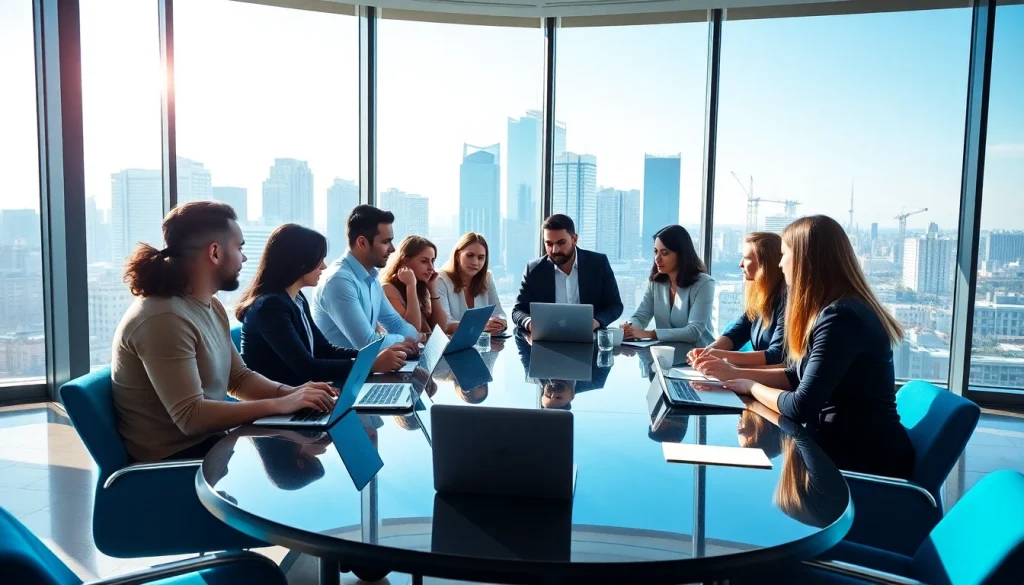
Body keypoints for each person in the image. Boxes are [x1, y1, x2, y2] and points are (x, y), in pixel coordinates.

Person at [111, 201, 338, 463]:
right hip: (178, 463)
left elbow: (238, 379)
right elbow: (190, 417)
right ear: (215, 252)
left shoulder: (210, 304)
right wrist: (280, 404)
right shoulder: (163, 318)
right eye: (239, 247)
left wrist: (295, 394)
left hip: (214, 443)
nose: (244, 258)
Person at [721, 215, 915, 479]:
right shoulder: (832, 311)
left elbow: (801, 406)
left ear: (804, 261)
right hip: (837, 447)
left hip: (863, 462)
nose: (780, 263)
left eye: (784, 254)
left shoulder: (841, 318)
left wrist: (751, 386)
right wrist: (732, 374)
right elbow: (794, 375)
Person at [234, 224, 407, 387]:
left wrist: (374, 355)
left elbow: (324, 349)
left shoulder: (296, 298)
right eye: (319, 261)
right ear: (300, 262)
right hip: (279, 405)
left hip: (303, 396)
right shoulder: (270, 307)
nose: (323, 267)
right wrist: (370, 364)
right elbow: (307, 368)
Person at [311, 205, 423, 353]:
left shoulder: (371, 276)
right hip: (343, 374)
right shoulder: (338, 281)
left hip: (366, 369)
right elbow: (367, 343)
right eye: (386, 242)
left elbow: (395, 323)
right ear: (362, 243)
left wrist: (418, 338)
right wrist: (403, 340)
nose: (392, 249)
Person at [688, 232, 787, 377]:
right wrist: (707, 353)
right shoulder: (762, 298)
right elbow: (736, 333)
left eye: (746, 258)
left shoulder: (785, 301)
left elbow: (776, 355)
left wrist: (719, 356)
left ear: (765, 263)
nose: (740, 263)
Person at [512, 214, 623, 332]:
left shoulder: (598, 264)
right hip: (547, 340)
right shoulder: (534, 270)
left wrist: (597, 321)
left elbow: (615, 305)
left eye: (561, 243)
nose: (555, 250)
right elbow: (518, 310)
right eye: (549, 244)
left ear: (574, 239)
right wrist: (530, 324)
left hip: (590, 338)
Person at [622, 225, 715, 345]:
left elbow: (693, 332)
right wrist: (629, 327)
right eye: (655, 252)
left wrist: (651, 334)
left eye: (664, 253)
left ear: (682, 254)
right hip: (665, 354)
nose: (657, 258)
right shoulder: (655, 283)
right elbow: (640, 317)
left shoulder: (704, 283)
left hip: (699, 356)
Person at [436, 232, 507, 336]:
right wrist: (481, 326)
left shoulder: (487, 277)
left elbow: (499, 314)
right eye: (470, 255)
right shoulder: (441, 280)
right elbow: (445, 325)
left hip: (483, 344)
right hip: (451, 347)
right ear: (457, 255)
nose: (475, 262)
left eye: (481, 257)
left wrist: (500, 323)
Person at [380, 236, 445, 335]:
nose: (431, 268)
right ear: (405, 262)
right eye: (424, 261)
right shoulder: (388, 288)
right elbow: (412, 331)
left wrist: (432, 289)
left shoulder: (421, 287)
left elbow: (441, 328)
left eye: (432, 261)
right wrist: (410, 285)